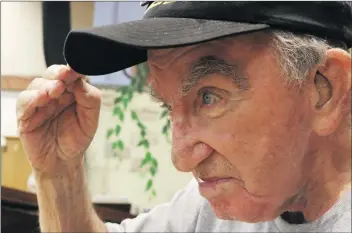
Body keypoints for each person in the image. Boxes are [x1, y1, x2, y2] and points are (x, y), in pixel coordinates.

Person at [16, 2, 351, 232]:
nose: (181, 158)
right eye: (167, 107)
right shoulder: (211, 209)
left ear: (324, 88)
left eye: (208, 97)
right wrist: (58, 172)